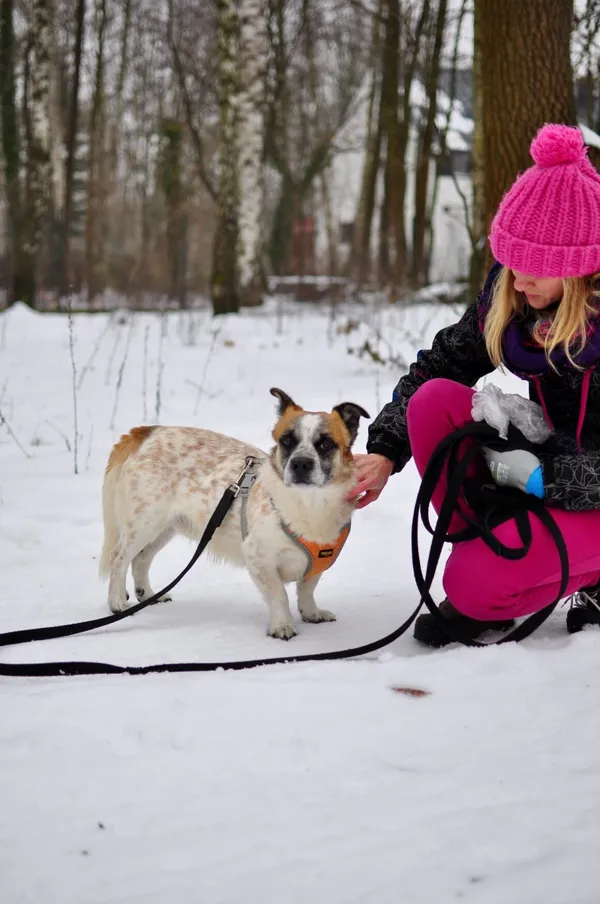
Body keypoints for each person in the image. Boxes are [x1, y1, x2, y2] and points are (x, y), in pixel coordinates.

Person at [348, 123, 600, 648]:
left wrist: (541, 478)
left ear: (576, 269)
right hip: (554, 466)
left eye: (532, 267)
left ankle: (541, 576)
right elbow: (441, 364)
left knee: (470, 584)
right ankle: (492, 543)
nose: (518, 279)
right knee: (434, 400)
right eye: (510, 262)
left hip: (587, 486)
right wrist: (386, 451)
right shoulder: (516, 291)